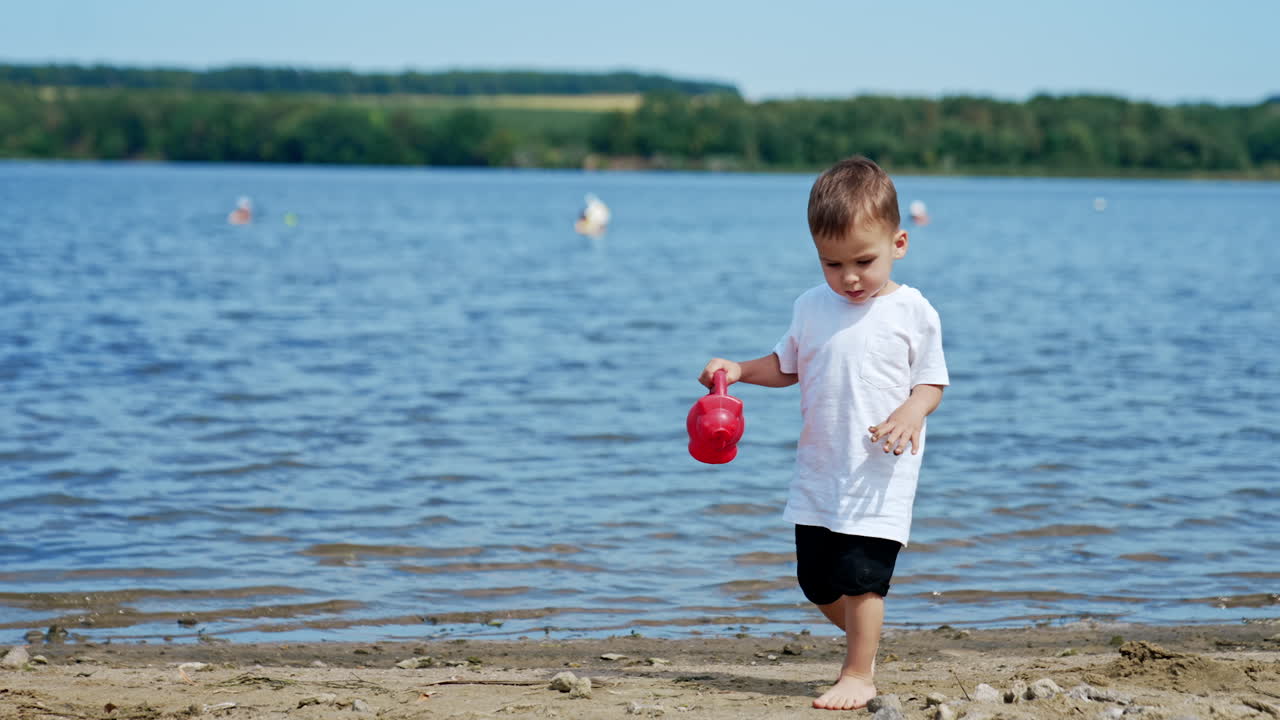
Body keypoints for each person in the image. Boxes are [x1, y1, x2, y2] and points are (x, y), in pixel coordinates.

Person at [698, 156, 949, 711]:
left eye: (864, 260)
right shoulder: (811, 307)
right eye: (832, 264)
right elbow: (788, 367)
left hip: (879, 469)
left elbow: (932, 382)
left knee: (863, 578)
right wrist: (739, 370)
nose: (850, 277)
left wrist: (912, 413)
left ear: (899, 243)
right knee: (816, 580)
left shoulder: (912, 311)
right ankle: (868, 642)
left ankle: (859, 672)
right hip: (819, 468)